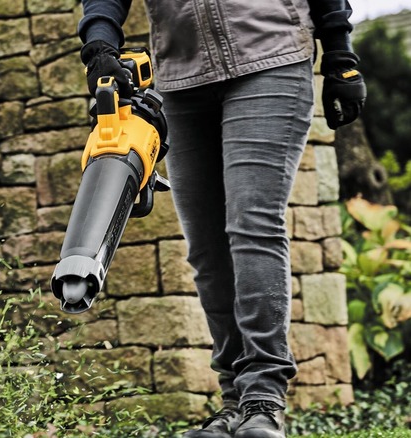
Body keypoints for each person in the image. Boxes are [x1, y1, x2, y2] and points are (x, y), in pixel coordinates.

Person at [78, 1, 365, 437]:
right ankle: (234, 400)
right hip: (181, 76)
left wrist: (340, 52)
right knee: (207, 246)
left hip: (270, 58)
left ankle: (263, 396)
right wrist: (99, 46)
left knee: (252, 225)